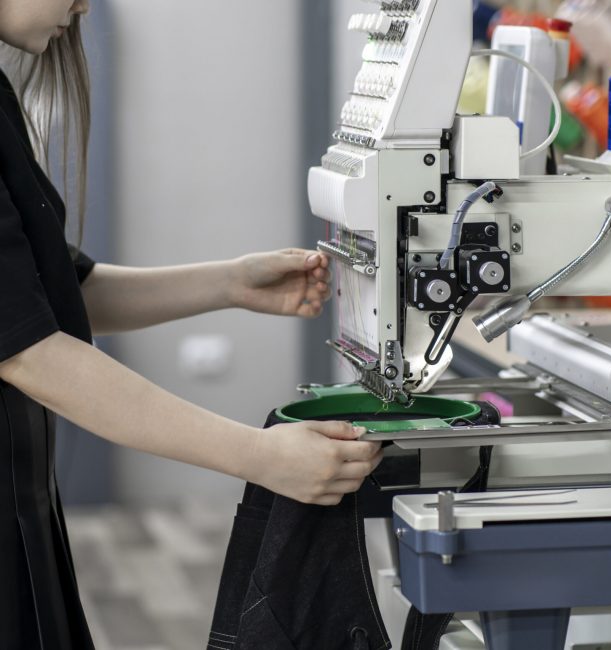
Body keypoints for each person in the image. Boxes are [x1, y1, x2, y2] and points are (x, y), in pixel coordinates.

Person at [0, 0, 383, 647]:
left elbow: (54, 293)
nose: (85, 3)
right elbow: (30, 351)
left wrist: (232, 282)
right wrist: (260, 457)